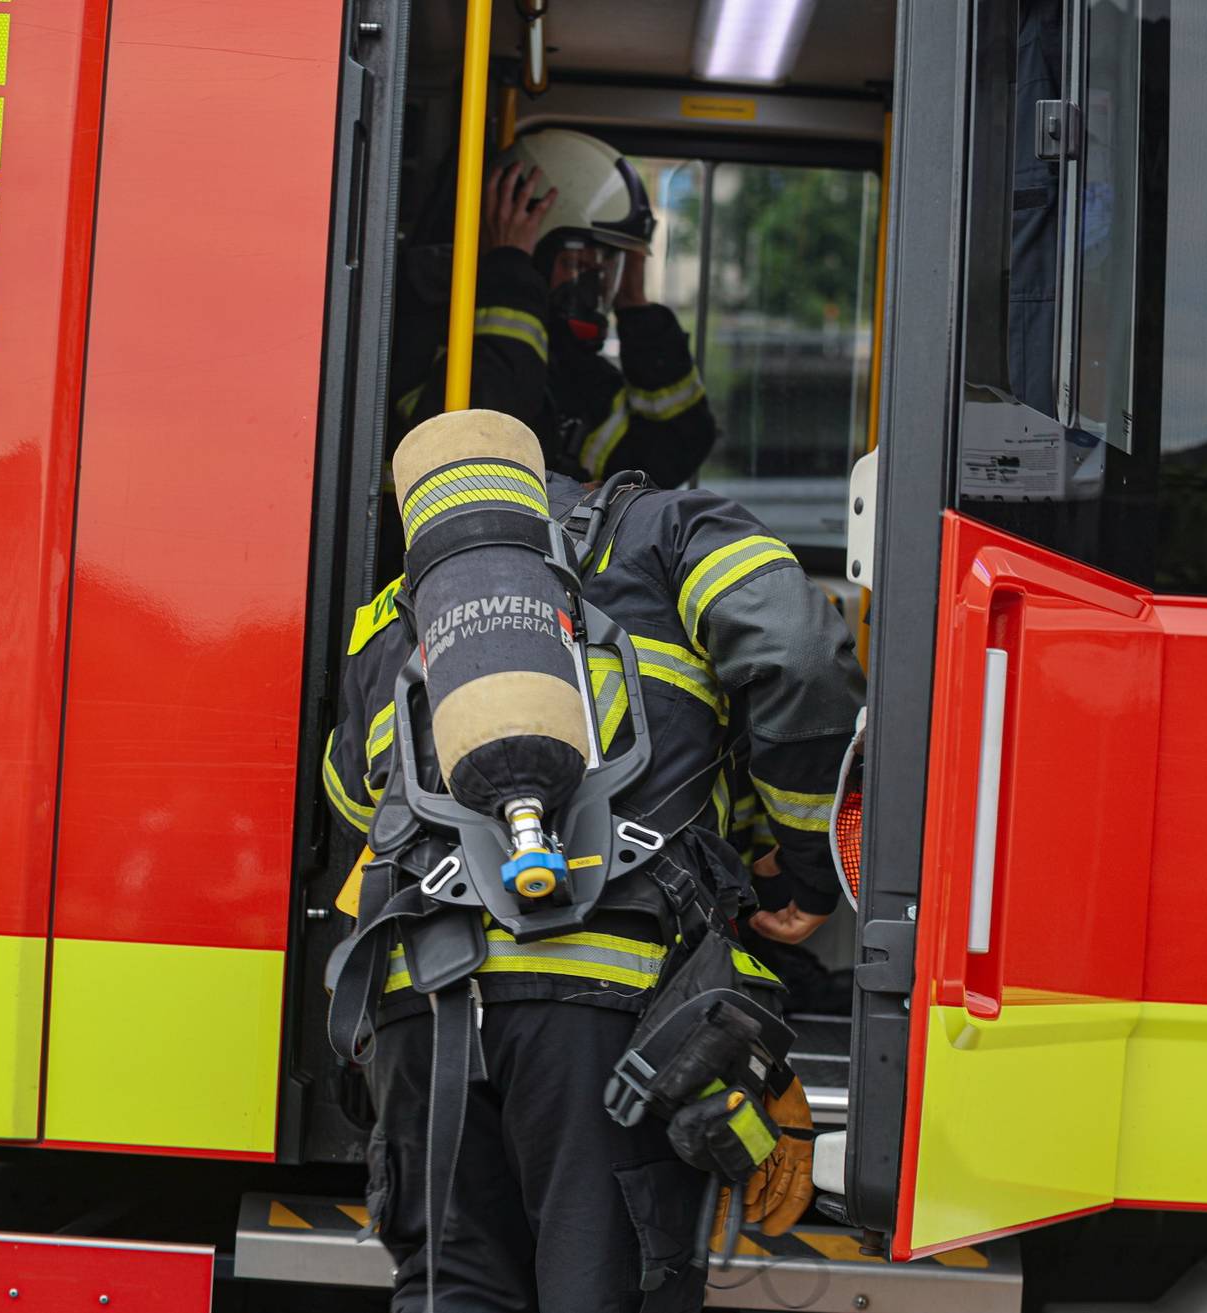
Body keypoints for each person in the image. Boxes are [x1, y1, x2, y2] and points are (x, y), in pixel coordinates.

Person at [322, 416, 861, 1312]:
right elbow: (801, 657)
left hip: (419, 1009)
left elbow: (351, 799)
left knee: (453, 1291)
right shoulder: (676, 532)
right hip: (608, 1020)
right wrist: (809, 871)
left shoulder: (397, 607)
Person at [389, 128, 718, 489]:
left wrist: (636, 308)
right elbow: (488, 435)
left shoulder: (575, 370)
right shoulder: (428, 337)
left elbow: (678, 447)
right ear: (531, 256)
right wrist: (512, 273)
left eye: (607, 267)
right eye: (578, 264)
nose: (593, 289)